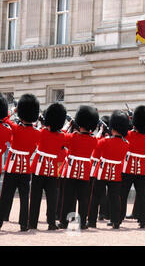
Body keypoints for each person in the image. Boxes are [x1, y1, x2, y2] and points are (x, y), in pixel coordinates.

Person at [0, 94, 41, 232]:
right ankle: (24, 223)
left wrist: (14, 110)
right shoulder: (37, 133)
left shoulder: (16, 129)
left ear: (22, 115)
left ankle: (0, 220)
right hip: (26, 168)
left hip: (12, 166)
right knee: (24, 197)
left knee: (6, 195)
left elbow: (4, 118)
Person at [58, 105, 99, 230]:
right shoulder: (93, 140)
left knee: (68, 198)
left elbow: (61, 136)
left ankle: (64, 222)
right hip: (85, 171)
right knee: (83, 199)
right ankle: (82, 222)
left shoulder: (72, 136)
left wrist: (69, 125)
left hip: (71, 171)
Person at [28, 103, 67, 231]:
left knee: (35, 198)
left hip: (39, 168)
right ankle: (51, 223)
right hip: (52, 170)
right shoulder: (62, 136)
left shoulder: (41, 132)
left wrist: (42, 122)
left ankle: (32, 223)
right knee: (52, 199)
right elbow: (64, 133)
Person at [89, 111, 129, 229]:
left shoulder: (104, 141)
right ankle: (116, 221)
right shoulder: (126, 144)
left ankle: (92, 221)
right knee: (115, 198)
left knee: (95, 197)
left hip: (102, 172)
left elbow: (95, 156)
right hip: (116, 173)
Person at [119, 106, 145, 228]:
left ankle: (118, 219)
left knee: (122, 194)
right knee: (142, 195)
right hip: (142, 169)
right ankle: (144, 220)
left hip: (128, 168)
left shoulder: (128, 135)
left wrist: (129, 120)